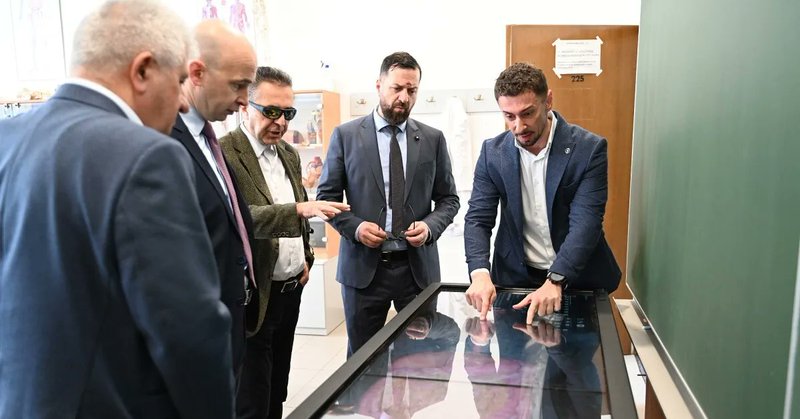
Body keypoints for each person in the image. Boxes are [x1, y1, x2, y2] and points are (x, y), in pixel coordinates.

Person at [0, 1, 235, 418]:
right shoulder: (146, 156)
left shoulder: (8, 137)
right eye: (180, 80)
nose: (184, 104)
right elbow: (188, 331)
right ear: (143, 70)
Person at [219, 66, 350, 419]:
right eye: (271, 111)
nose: (280, 122)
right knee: (253, 397)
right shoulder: (225, 154)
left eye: (287, 113)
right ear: (245, 106)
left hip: (290, 291)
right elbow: (238, 218)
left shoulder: (288, 154)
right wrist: (299, 209)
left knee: (277, 387)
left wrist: (306, 257)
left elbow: (299, 207)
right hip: (254, 295)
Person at [317, 51, 460, 357]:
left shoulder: (433, 139)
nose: (404, 97)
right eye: (397, 88)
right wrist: (356, 229)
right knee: (362, 361)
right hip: (363, 271)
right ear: (379, 85)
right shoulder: (346, 136)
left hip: (416, 271)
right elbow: (326, 199)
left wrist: (429, 227)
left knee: (419, 360)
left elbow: (449, 199)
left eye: (412, 90)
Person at [464, 62, 621, 325]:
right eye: (509, 116)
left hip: (576, 279)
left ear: (548, 101)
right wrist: (479, 272)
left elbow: (586, 222)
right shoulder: (493, 153)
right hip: (515, 279)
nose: (518, 126)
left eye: (527, 113)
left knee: (577, 352)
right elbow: (478, 218)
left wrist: (556, 278)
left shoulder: (588, 149)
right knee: (514, 352)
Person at [170, 19, 257, 375]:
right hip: (196, 337)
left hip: (231, 320)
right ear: (197, 73)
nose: (245, 100)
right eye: (238, 85)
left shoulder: (208, 140)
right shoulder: (164, 143)